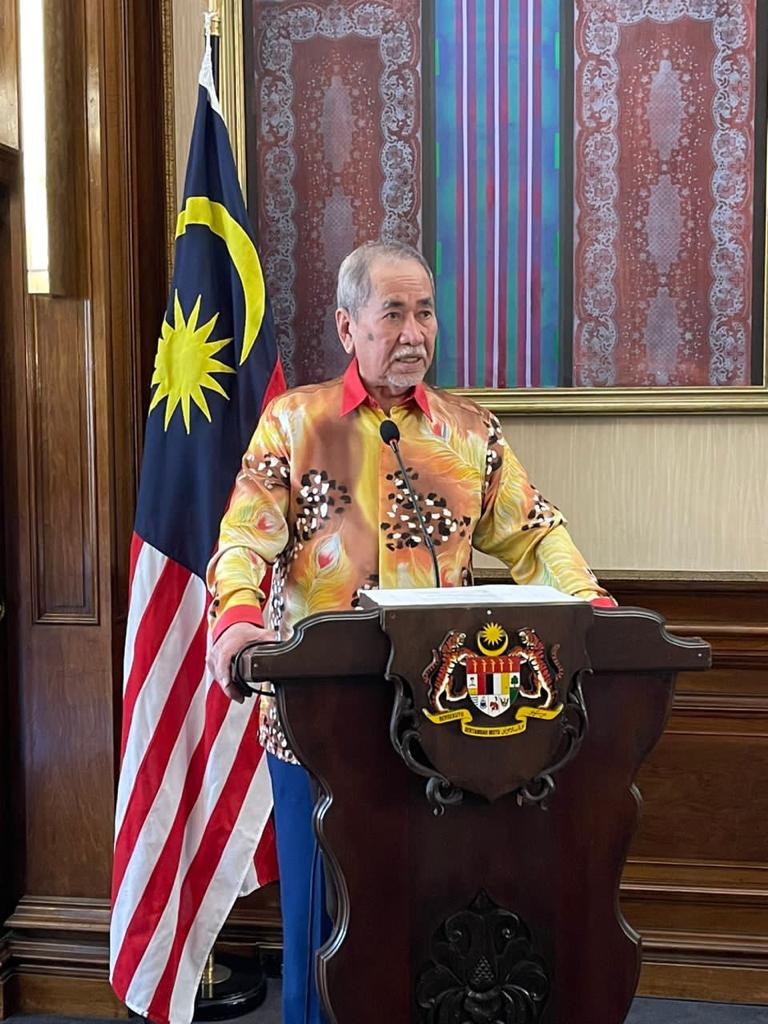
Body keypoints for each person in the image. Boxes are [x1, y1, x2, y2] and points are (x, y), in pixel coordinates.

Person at [206, 239, 614, 1023]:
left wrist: (589, 602)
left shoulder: (469, 432)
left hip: (443, 723)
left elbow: (534, 533)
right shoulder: (295, 423)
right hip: (320, 724)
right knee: (325, 933)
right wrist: (237, 619)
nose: (414, 332)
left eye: (424, 312)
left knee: (425, 928)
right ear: (347, 326)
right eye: (392, 313)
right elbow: (245, 538)